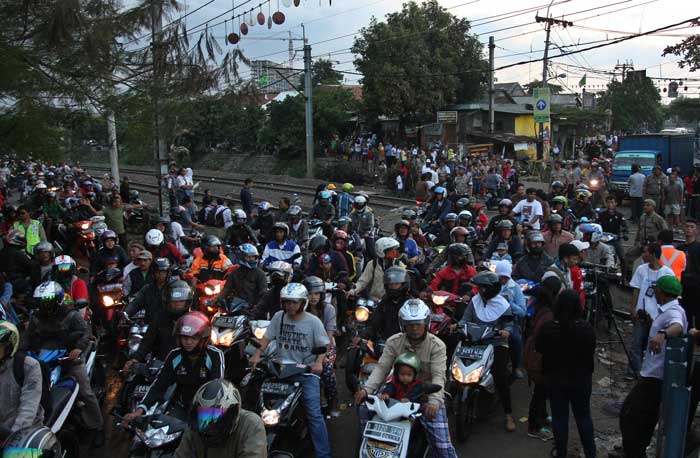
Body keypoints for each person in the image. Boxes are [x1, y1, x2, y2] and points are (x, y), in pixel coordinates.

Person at [355, 299, 457, 458]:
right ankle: (366, 445)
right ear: (403, 324)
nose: (415, 328)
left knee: (443, 447)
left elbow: (438, 376)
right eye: (410, 324)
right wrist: (366, 390)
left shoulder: (437, 345)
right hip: (397, 390)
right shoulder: (394, 341)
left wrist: (435, 401)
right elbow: (382, 368)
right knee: (363, 408)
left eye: (418, 323)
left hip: (425, 395)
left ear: (426, 323)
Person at [249, 283, 331, 458]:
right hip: (279, 370)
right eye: (287, 302)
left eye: (294, 302)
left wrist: (318, 363)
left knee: (314, 413)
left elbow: (324, 347)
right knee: (255, 403)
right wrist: (257, 354)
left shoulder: (313, 322)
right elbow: (266, 338)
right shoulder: (279, 317)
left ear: (303, 303)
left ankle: (324, 454)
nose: (290, 306)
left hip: (304, 372)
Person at [22, 281, 105, 446]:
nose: (44, 306)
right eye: (41, 303)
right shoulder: (36, 318)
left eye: (48, 302)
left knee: (85, 393)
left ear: (58, 300)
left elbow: (86, 333)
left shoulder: (71, 315)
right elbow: (26, 339)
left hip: (68, 360)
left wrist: (78, 349)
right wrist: (21, 353)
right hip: (42, 362)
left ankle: (98, 427)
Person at [616, 275, 686, 458]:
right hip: (652, 373)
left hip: (655, 377)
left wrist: (662, 333)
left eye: (656, 289)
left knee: (629, 415)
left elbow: (677, 326)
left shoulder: (674, 312)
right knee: (644, 418)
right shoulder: (666, 310)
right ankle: (635, 449)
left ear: (661, 292)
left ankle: (635, 452)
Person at [122, 311, 224, 424]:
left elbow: (216, 388)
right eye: (184, 338)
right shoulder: (174, 355)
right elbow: (159, 385)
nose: (188, 342)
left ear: (203, 339)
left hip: (208, 408)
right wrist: (138, 411)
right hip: (182, 406)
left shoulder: (215, 355)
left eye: (194, 338)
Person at [536, 289, 596, 458]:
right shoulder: (586, 329)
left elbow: (539, 348)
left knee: (559, 418)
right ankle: (591, 453)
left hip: (555, 381)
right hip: (581, 381)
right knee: (584, 418)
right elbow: (591, 350)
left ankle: (560, 453)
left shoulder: (548, 329)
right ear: (579, 307)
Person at [459, 272, 517, 432]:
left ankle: (508, 414)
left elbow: (509, 324)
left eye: (482, 288)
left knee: (499, 376)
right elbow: (465, 319)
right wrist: (458, 325)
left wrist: (506, 331)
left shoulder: (503, 304)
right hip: (475, 341)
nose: (479, 291)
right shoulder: (475, 301)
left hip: (496, 343)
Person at [174, 379, 267, 458]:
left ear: (231, 414)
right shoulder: (195, 428)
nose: (208, 426)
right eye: (204, 416)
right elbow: (181, 455)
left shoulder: (251, 425)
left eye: (215, 417)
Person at [625, 243, 674, 380]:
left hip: (657, 317)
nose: (643, 255)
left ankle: (648, 372)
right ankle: (634, 371)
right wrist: (633, 308)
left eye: (645, 252)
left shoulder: (667, 273)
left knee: (650, 345)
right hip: (641, 314)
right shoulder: (641, 269)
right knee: (636, 344)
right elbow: (636, 289)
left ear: (653, 254)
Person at [525, 276, 562, 440]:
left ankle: (543, 415)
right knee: (540, 391)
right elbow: (543, 337)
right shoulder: (548, 313)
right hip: (541, 357)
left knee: (542, 390)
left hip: (535, 353)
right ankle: (534, 426)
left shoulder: (542, 305)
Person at [0, 320, 44, 433]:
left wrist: (13, 435)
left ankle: (95, 424)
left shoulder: (27, 366)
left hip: (25, 432)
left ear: (9, 347)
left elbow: (28, 408)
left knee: (86, 392)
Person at [304, 276, 339, 416]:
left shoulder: (328, 309)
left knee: (327, 371)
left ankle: (332, 399)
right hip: (304, 347)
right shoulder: (300, 309)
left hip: (326, 346)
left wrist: (321, 357)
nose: (313, 297)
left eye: (316, 293)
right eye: (309, 294)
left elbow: (328, 337)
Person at [347, 237, 404, 303]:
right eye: (391, 250)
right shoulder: (372, 264)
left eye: (395, 250)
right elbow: (363, 281)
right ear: (382, 251)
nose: (394, 252)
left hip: (392, 302)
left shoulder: (399, 265)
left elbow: (404, 284)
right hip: (373, 301)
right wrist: (353, 291)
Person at [496, 261, 526, 379]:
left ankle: (516, 366)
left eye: (505, 277)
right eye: (500, 277)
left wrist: (509, 302)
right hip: (492, 320)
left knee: (515, 338)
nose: (503, 280)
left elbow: (522, 311)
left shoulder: (515, 288)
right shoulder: (491, 285)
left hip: (510, 320)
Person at [624, 199, 668, 281]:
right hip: (641, 244)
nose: (645, 207)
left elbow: (665, 231)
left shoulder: (658, 218)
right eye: (644, 205)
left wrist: (659, 243)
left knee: (649, 262)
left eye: (648, 205)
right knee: (629, 254)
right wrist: (636, 242)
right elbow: (639, 230)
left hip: (651, 246)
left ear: (653, 207)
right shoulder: (642, 217)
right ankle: (628, 277)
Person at [597, 195, 629, 273]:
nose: (610, 204)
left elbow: (624, 226)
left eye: (612, 202)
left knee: (622, 257)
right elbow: (596, 225)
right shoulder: (601, 215)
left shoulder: (619, 215)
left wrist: (625, 234)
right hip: (603, 239)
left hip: (615, 239)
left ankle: (624, 276)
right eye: (608, 202)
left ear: (616, 203)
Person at [679, 219, 700, 327]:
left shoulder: (698, 247)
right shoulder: (679, 249)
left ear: (696, 231)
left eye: (692, 227)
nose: (689, 229)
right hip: (683, 286)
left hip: (696, 287)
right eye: (687, 226)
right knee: (685, 316)